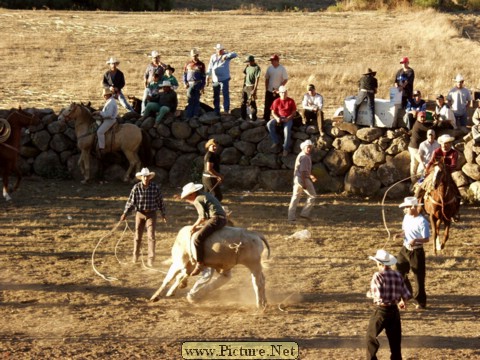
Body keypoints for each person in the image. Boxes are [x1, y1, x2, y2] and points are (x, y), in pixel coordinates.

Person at [366, 249, 411, 360]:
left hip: (381, 311)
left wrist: (369, 293)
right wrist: (402, 302)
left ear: (379, 263)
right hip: (394, 311)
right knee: (395, 342)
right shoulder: (398, 275)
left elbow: (378, 295)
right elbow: (405, 294)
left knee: (371, 337)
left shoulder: (378, 275)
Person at [120, 168, 167, 267]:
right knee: (137, 236)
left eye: (147, 176)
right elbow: (131, 202)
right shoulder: (136, 188)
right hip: (140, 214)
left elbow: (160, 201)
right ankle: (135, 256)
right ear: (141, 177)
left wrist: (163, 213)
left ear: (150, 177)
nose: (145, 178)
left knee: (151, 237)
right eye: (144, 176)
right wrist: (125, 213)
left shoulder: (155, 188)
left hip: (151, 214)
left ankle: (150, 259)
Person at [180, 182, 227, 276]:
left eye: (187, 197)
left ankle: (200, 264)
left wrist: (194, 226)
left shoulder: (197, 199)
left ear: (192, 194)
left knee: (197, 239)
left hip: (215, 219)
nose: (187, 199)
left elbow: (202, 218)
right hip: (222, 219)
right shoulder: (205, 195)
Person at [395, 196, 430, 310]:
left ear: (414, 207)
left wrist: (416, 240)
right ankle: (407, 293)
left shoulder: (422, 221)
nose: (405, 210)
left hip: (417, 251)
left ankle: (421, 302)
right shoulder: (406, 217)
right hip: (405, 249)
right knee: (399, 271)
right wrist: (400, 235)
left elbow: (426, 239)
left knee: (418, 277)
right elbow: (406, 231)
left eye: (407, 207)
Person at [287, 140, 317, 222]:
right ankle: (305, 213)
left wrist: (311, 176)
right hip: (302, 179)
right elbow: (303, 172)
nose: (309, 149)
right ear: (304, 148)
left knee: (295, 197)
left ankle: (291, 217)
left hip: (297, 178)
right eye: (308, 147)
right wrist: (304, 183)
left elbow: (304, 170)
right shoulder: (305, 157)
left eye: (310, 147)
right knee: (312, 195)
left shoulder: (301, 155)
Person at [206, 43, 237, 115]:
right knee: (216, 95)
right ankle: (216, 110)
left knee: (225, 94)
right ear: (216, 50)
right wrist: (208, 76)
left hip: (224, 79)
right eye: (218, 50)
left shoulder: (226, 56)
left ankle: (226, 109)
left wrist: (226, 56)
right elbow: (210, 67)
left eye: (221, 50)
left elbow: (235, 54)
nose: (219, 51)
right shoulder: (213, 57)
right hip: (215, 79)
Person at [266, 85, 297, 157]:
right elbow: (273, 112)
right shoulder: (276, 101)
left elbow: (294, 113)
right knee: (269, 124)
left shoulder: (291, 101)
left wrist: (288, 118)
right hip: (279, 117)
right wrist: (277, 118)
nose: (283, 94)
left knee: (287, 131)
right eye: (282, 92)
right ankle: (276, 141)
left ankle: (285, 149)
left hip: (288, 118)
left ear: (287, 92)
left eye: (285, 92)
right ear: (279, 93)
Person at [407, 111, 434, 184]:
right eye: (421, 117)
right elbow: (429, 129)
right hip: (414, 147)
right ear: (418, 117)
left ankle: (414, 181)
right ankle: (419, 181)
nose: (422, 118)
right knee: (423, 162)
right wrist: (437, 122)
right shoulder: (418, 125)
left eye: (424, 117)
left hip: (413, 146)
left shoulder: (419, 123)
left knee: (414, 164)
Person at [92, 88, 118, 155]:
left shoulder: (111, 102)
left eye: (104, 95)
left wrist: (99, 113)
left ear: (108, 95)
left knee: (100, 132)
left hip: (110, 120)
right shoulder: (110, 101)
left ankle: (102, 148)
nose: (104, 97)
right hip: (107, 119)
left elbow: (108, 114)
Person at [264, 54, 288, 121]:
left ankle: (278, 119)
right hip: (269, 90)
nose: (271, 62)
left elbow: (285, 79)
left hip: (278, 91)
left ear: (277, 61)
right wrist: (266, 88)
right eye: (271, 61)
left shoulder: (282, 68)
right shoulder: (269, 68)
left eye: (272, 60)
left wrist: (279, 88)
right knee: (267, 106)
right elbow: (267, 78)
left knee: (277, 106)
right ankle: (266, 119)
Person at [183, 48, 206, 119]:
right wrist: (185, 82)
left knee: (196, 99)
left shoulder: (201, 64)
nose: (194, 57)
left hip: (197, 83)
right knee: (190, 99)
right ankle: (189, 115)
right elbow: (184, 74)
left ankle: (195, 115)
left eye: (195, 55)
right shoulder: (187, 64)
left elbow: (203, 76)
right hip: (189, 83)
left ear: (197, 55)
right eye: (193, 56)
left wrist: (202, 86)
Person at [241, 55, 261, 121]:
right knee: (243, 101)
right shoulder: (247, 66)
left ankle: (254, 118)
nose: (248, 63)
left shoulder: (257, 68)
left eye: (249, 62)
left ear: (252, 61)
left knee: (252, 103)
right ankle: (243, 116)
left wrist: (254, 89)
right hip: (245, 85)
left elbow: (257, 79)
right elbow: (245, 73)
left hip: (251, 86)